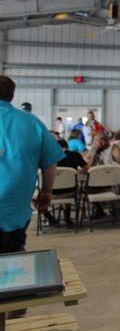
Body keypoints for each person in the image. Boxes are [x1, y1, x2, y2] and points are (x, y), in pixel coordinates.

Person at [0, 76, 63, 256]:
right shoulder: (31, 122)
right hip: (14, 213)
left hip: (13, 211)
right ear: (12, 95)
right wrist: (46, 192)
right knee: (11, 263)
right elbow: (50, 163)